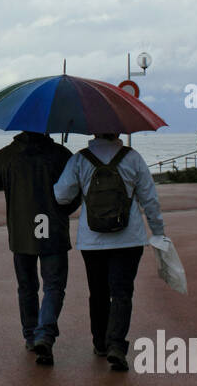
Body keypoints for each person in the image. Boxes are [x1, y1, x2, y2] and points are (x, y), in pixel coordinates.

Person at [53, 132, 165, 371]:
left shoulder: (80, 159)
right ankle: (116, 344)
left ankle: (100, 343)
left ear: (94, 131)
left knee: (98, 292)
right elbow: (150, 199)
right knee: (122, 293)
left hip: (92, 241)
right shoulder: (133, 158)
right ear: (118, 131)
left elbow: (62, 196)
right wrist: (157, 232)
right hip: (129, 239)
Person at [0, 131, 80, 366]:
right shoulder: (61, 155)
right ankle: (44, 333)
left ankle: (30, 335)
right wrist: (62, 211)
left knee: (27, 287)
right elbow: (76, 190)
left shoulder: (7, 155)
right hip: (53, 231)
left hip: (22, 233)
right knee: (54, 285)